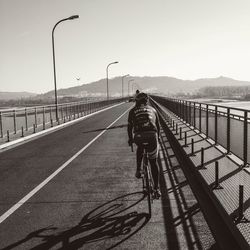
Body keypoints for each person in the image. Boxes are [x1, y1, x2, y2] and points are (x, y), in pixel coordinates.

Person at [127, 92, 161, 198]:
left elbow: (129, 127)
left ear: (136, 101)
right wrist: (158, 138)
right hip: (152, 136)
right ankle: (156, 189)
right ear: (147, 101)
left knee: (140, 147)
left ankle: (138, 170)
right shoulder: (153, 110)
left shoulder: (132, 111)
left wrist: (131, 139)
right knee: (153, 161)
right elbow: (158, 127)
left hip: (139, 137)